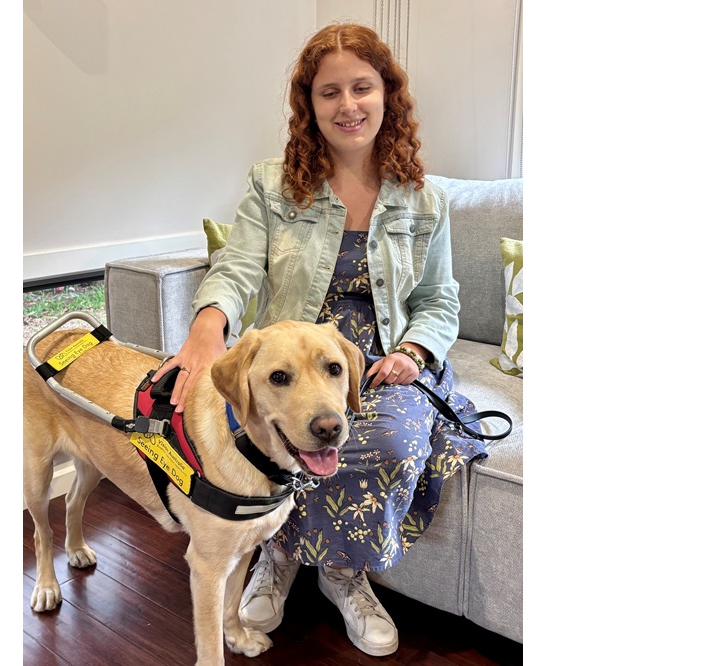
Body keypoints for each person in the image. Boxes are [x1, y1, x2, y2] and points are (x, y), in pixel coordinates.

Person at [151, 22, 487, 657]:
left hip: (381, 362)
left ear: (389, 95)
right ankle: (273, 552)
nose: (348, 105)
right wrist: (207, 326)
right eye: (329, 92)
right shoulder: (273, 185)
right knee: (268, 436)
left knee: (380, 439)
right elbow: (239, 266)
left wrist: (413, 352)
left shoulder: (426, 199)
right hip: (289, 356)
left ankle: (341, 573)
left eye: (363, 87)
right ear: (309, 104)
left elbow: (439, 301)